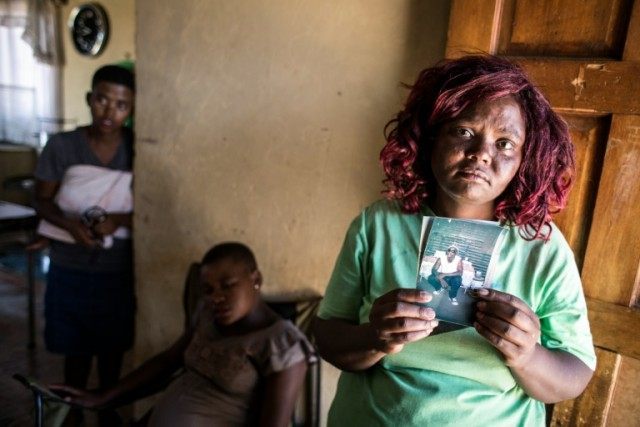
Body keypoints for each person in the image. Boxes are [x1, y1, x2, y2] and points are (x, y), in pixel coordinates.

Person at [313, 55, 596, 426]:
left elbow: (575, 372)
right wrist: (374, 337)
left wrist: (527, 355)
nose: (481, 154)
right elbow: (328, 336)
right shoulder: (379, 224)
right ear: (429, 137)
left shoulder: (541, 246)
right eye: (463, 132)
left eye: (505, 143)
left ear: (526, 159)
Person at [49, 242, 316, 427]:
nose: (217, 298)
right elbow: (167, 363)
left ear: (255, 279)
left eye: (228, 285)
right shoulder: (208, 316)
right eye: (208, 289)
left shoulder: (282, 346)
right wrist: (101, 398)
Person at [33, 64, 136, 412]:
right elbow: (42, 200)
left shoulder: (139, 151)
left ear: (133, 108)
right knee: (75, 359)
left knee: (112, 358)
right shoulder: (62, 146)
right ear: (89, 99)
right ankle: (70, 417)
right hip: (69, 268)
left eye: (121, 105)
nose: (110, 111)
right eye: (102, 100)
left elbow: (155, 213)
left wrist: (118, 220)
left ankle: (107, 416)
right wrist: (69, 225)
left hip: (118, 271)